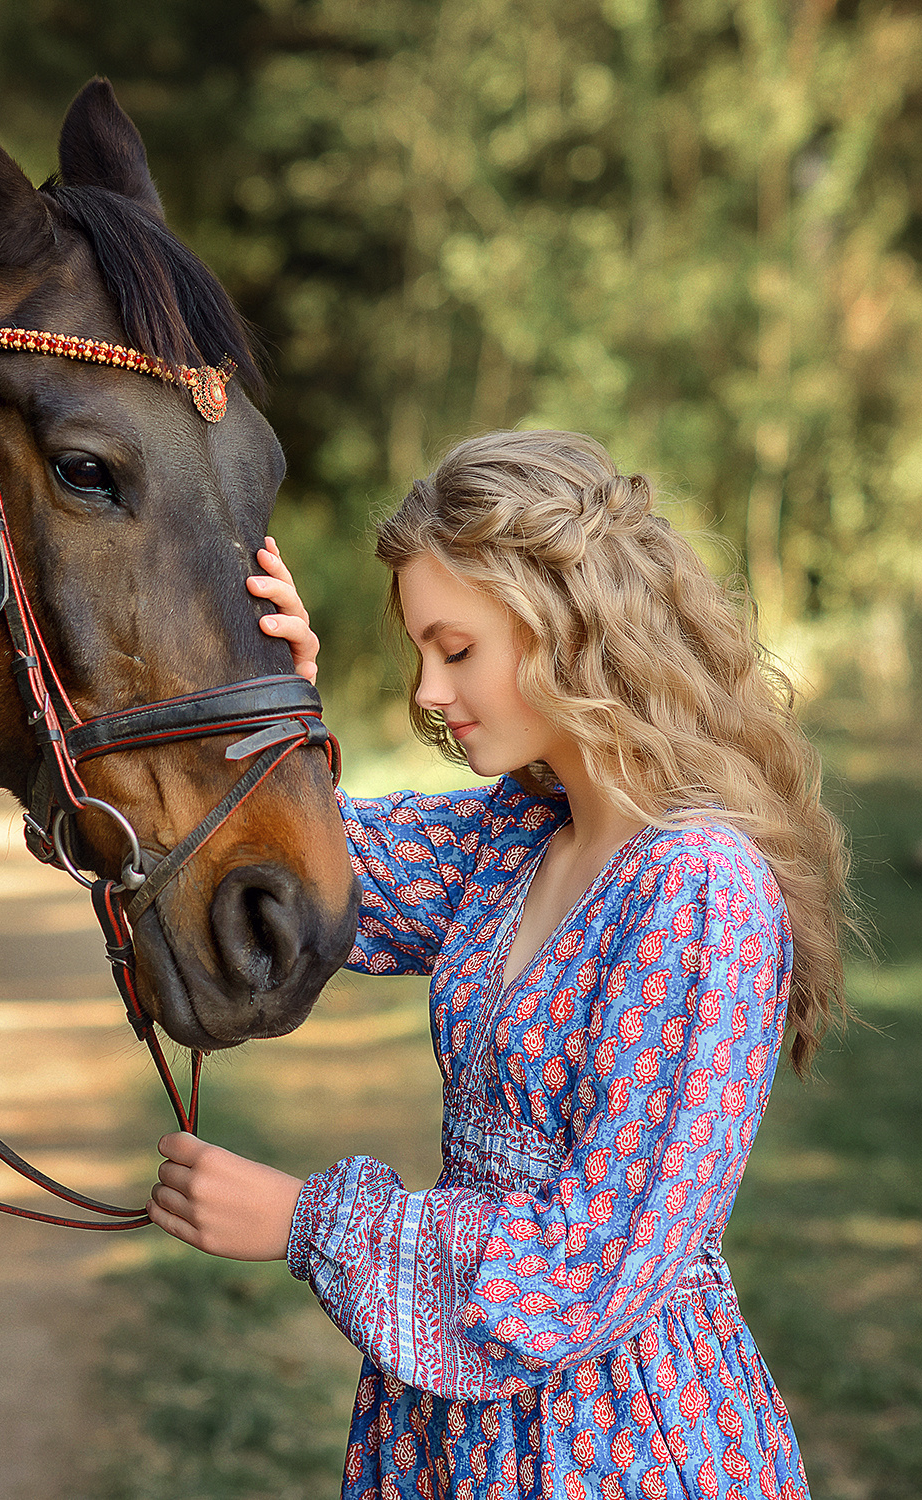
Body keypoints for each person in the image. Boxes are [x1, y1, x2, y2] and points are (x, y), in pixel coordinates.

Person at [146, 430, 850, 1500]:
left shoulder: (699, 891)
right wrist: (268, 698)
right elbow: (298, 879)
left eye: (455, 649)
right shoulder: (513, 839)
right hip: (448, 1436)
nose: (427, 691)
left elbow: (591, 1264)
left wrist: (305, 1222)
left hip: (611, 1448)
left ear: (566, 629)